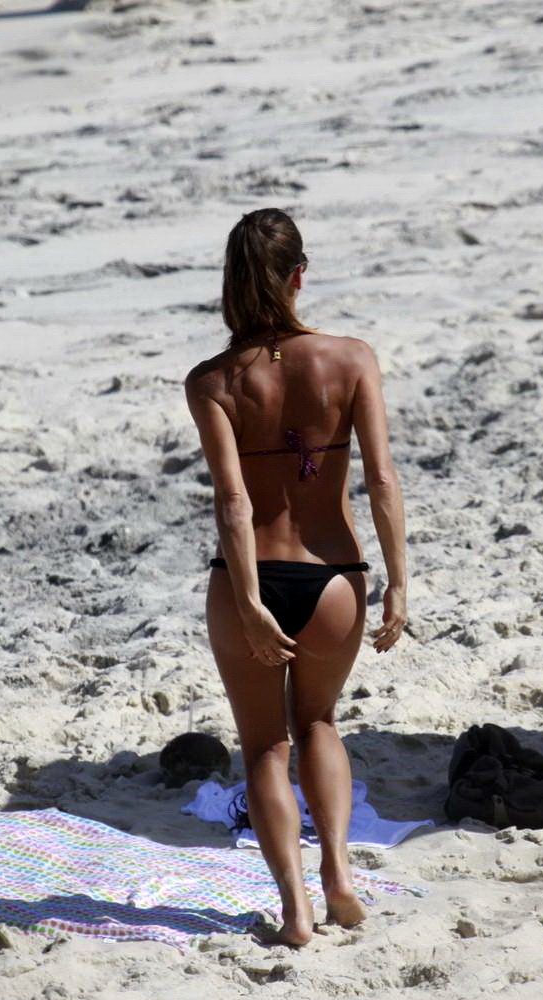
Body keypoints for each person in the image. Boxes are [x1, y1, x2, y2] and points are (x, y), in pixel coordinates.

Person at [184, 208, 408, 946]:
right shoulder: (352, 359)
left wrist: (248, 599)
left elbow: (232, 501)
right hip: (335, 578)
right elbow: (380, 478)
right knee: (319, 721)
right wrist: (398, 580)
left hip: (252, 576)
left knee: (263, 748)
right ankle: (339, 873)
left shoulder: (212, 381)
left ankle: (294, 911)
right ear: (299, 276)